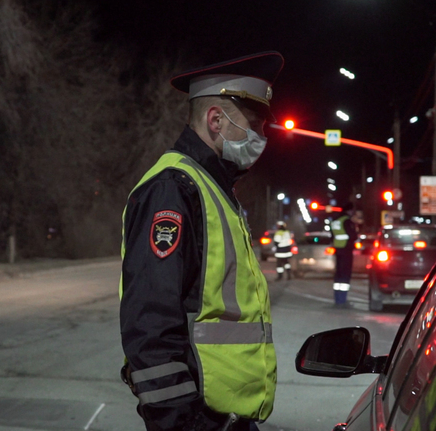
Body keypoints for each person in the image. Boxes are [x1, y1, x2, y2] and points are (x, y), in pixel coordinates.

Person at [119, 51, 284, 431]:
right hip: (199, 422)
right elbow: (151, 327)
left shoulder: (213, 187)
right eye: (254, 126)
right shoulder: (172, 190)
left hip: (227, 420)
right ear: (215, 120)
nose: (260, 138)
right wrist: (180, 423)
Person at [330, 202, 361, 306]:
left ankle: (337, 299)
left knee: (338, 274)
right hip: (346, 249)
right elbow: (352, 235)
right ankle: (342, 300)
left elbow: (332, 236)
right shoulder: (347, 221)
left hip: (338, 250)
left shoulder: (335, 221)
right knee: (345, 274)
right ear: (349, 211)